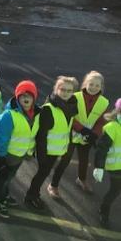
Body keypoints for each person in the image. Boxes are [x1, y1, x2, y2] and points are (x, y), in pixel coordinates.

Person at [24, 76, 78, 209]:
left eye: (69, 90)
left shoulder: (70, 107)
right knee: (42, 173)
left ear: (73, 92)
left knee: (44, 173)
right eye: (62, 89)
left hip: (57, 150)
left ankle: (33, 194)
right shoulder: (48, 109)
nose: (65, 93)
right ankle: (31, 196)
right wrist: (41, 156)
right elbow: (41, 136)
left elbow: (67, 128)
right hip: (47, 151)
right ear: (56, 89)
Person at [52, 71, 108, 193]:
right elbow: (69, 116)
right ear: (85, 84)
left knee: (84, 160)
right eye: (91, 84)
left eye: (97, 85)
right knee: (65, 159)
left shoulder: (104, 102)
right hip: (72, 134)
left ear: (101, 87)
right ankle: (53, 185)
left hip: (87, 137)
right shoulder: (74, 97)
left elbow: (101, 121)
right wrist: (82, 129)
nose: (94, 87)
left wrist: (95, 134)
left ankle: (81, 179)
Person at [0, 81, 41, 218]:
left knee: (10, 177)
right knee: (3, 179)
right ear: (17, 97)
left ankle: (5, 195)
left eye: (29, 96)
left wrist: (31, 151)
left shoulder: (37, 114)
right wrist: (1, 159)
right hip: (9, 155)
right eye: (22, 96)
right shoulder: (9, 115)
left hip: (21, 154)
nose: (26, 99)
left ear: (34, 98)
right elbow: (2, 139)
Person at [93, 98, 121, 228]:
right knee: (115, 190)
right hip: (116, 167)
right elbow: (101, 149)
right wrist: (98, 167)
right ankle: (104, 211)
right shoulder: (112, 128)